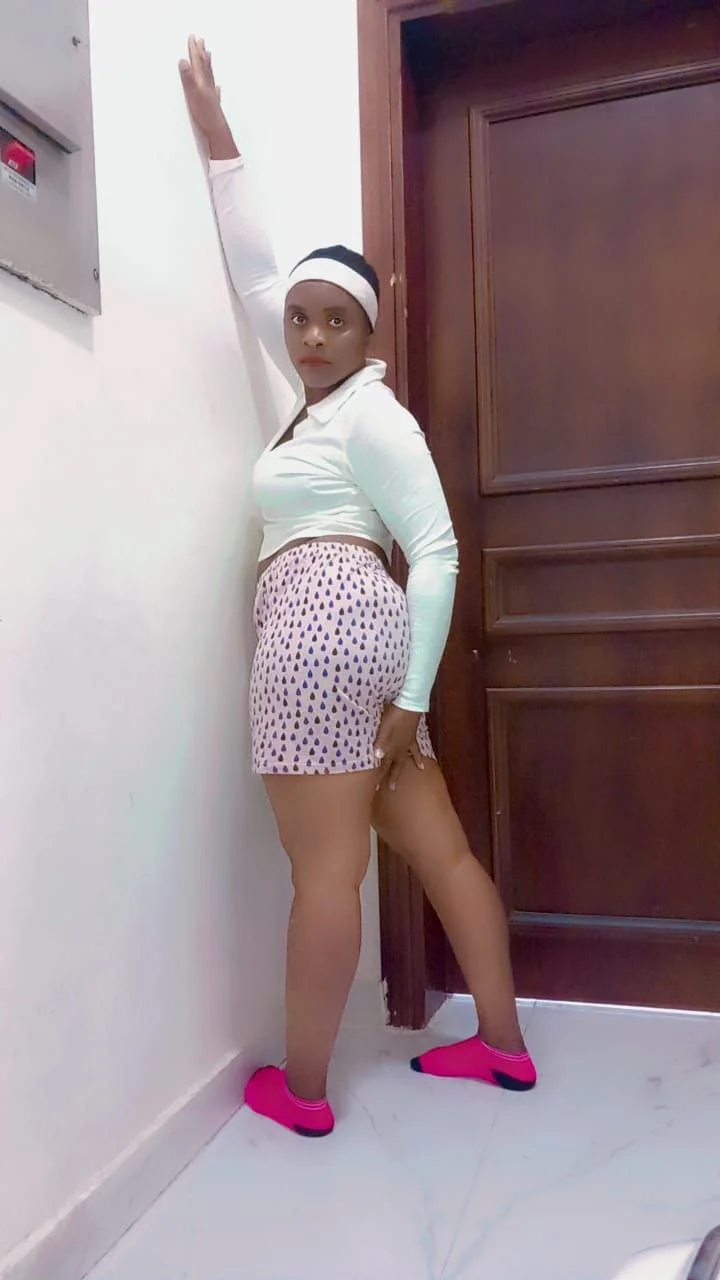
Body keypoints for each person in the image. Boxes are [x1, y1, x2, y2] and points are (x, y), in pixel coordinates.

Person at [179, 36, 537, 1138]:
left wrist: (414, 699)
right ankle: (504, 1043)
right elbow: (257, 273)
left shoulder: (369, 412)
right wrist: (218, 135)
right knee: (441, 852)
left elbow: (437, 548)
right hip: (369, 648)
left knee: (325, 877)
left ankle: (302, 1091)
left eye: (336, 320)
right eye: (301, 319)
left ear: (369, 331)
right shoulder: (320, 397)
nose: (311, 334)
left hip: (321, 637)